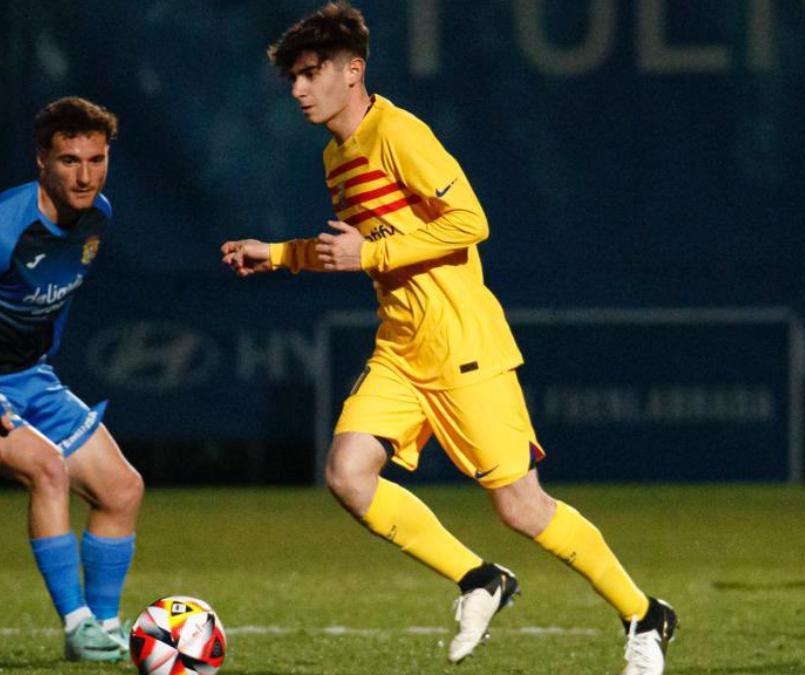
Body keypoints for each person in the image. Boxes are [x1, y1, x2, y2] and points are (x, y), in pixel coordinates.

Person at [220, 4, 676, 673]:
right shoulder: (335, 156)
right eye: (293, 76)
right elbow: (359, 249)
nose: (298, 89)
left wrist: (370, 256)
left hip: (463, 345)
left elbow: (470, 221)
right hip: (402, 349)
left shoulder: (400, 134)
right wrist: (282, 254)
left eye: (311, 73)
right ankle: (480, 579)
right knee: (348, 475)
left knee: (522, 506)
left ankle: (645, 614)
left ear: (354, 71)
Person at [0, 96, 143, 663]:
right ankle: (76, 626)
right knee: (48, 470)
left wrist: (43, 358)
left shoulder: (98, 217)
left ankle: (105, 628)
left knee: (122, 489)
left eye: (96, 159)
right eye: (69, 160)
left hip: (30, 378)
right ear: (41, 160)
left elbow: (55, 295)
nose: (85, 174)